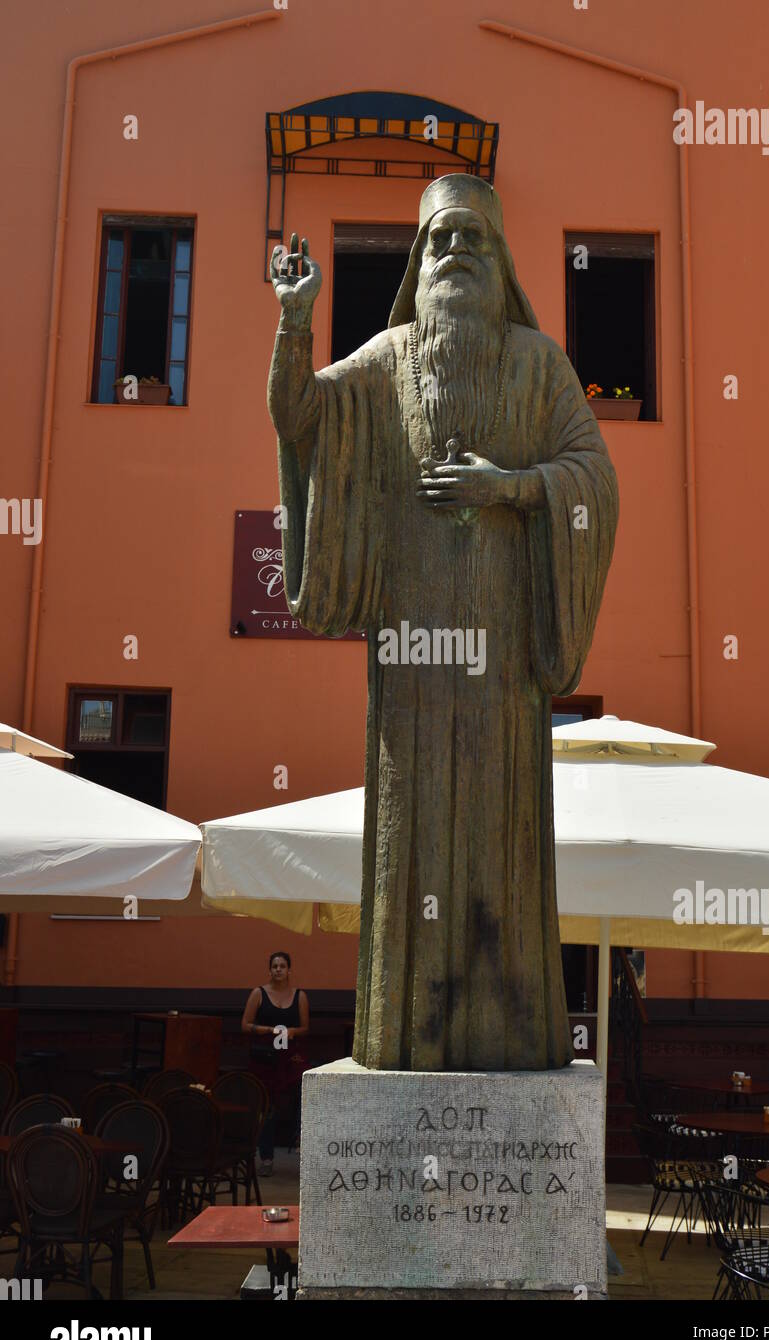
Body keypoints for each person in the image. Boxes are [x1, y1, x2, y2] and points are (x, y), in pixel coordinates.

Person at [267, 174, 618, 1072]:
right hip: (410, 655)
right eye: (439, 241)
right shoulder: (386, 358)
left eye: (474, 239)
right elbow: (302, 417)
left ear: (501, 265)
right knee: (408, 840)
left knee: (500, 845)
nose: (455, 251)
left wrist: (511, 489)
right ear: (418, 264)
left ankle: (505, 1033)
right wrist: (295, 323)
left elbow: (596, 478)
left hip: (502, 666)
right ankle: (405, 1029)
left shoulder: (540, 366)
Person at [241, 951, 309, 1175]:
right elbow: (245, 1024)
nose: (278, 969)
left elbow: (305, 1028)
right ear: (269, 970)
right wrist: (269, 1030)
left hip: (290, 1054)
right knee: (266, 1103)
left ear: (290, 970)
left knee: (305, 1085)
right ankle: (266, 1157)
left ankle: (301, 1138)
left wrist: (290, 1032)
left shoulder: (299, 996)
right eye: (274, 966)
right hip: (265, 1055)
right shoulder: (258, 993)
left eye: (282, 966)